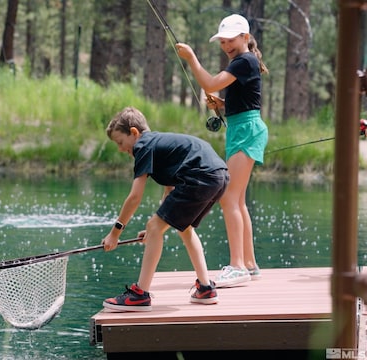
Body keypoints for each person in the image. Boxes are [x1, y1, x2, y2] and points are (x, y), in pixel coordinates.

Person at [101, 107, 229, 312]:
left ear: (134, 133)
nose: (120, 148)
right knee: (183, 228)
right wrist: (156, 231)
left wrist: (115, 233)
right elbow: (170, 191)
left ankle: (139, 295)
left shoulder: (143, 146)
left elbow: (134, 197)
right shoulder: (158, 143)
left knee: (155, 226)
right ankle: (206, 288)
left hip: (202, 176)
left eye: (120, 142)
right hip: (219, 176)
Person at [175, 14, 269, 287]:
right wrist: (224, 105)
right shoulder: (242, 62)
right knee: (237, 201)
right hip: (241, 128)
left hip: (247, 131)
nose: (226, 45)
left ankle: (237, 266)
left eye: (230, 40)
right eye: (223, 42)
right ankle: (249, 264)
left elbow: (211, 83)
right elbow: (245, 102)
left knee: (228, 199)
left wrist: (191, 58)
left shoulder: (245, 60)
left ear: (245, 38)